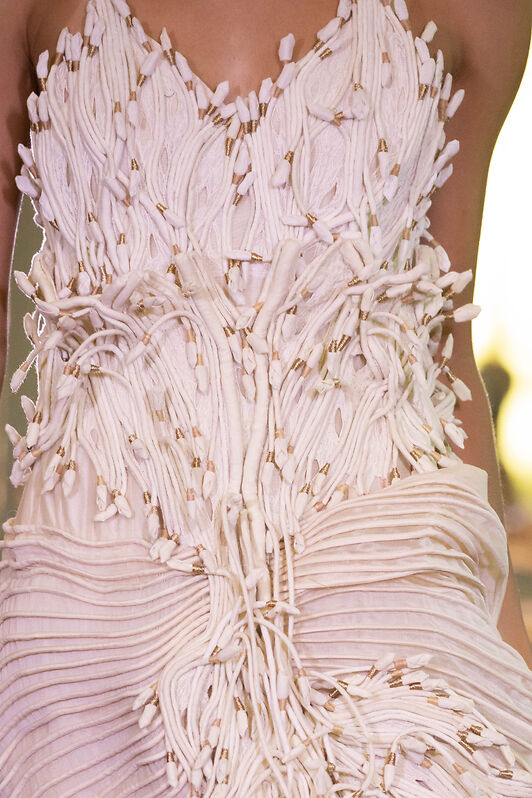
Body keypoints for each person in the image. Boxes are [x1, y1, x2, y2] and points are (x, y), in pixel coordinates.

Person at [1, 0, 532, 794]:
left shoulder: (484, 10)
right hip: (88, 654)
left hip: (398, 633)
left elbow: (437, 341)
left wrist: (507, 661)